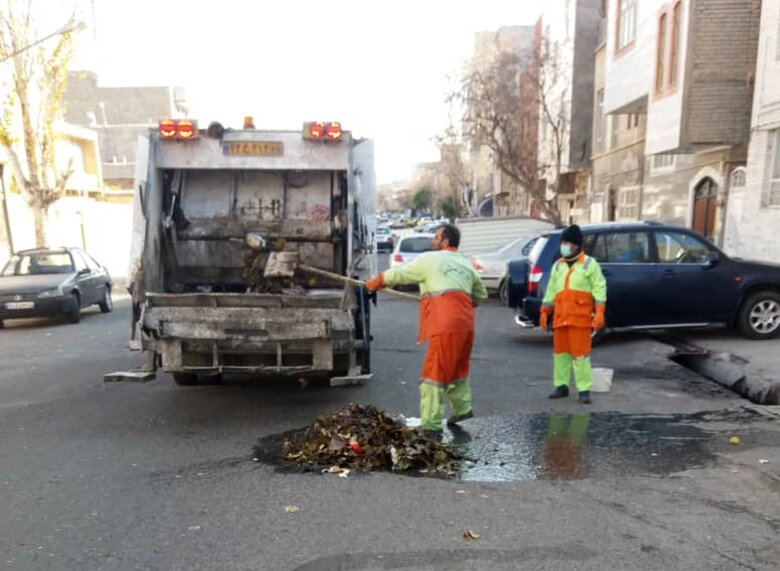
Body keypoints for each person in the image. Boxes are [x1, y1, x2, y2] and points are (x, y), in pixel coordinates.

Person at [364, 224, 487, 437]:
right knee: (457, 369)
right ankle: (463, 410)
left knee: (433, 374)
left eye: (437, 237)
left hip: (445, 325)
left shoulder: (431, 259)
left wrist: (377, 281)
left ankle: (431, 425)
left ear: (446, 241)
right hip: (466, 326)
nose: (433, 241)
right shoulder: (466, 265)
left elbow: (402, 274)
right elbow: (480, 296)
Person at [540, 224, 607, 404]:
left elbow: (600, 289)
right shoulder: (558, 266)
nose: (564, 245)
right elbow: (551, 291)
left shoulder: (589, 265)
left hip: (579, 319)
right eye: (563, 241)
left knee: (580, 356)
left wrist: (599, 312)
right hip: (561, 318)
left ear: (576, 245)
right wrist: (545, 310)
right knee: (560, 354)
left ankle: (584, 389)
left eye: (567, 242)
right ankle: (561, 386)